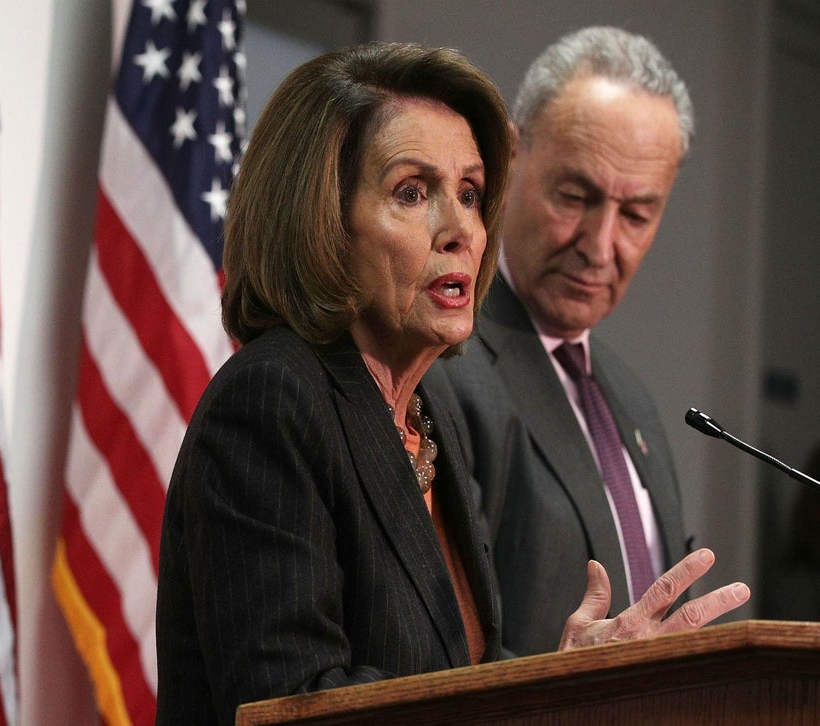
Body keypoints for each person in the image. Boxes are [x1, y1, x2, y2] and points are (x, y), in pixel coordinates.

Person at [155, 41, 749, 725]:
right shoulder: (272, 400)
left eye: (468, 193)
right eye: (413, 192)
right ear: (323, 219)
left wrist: (567, 676)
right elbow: (295, 705)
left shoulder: (424, 413)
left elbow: (463, 673)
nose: (460, 229)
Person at [429, 26, 699, 657]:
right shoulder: (443, 362)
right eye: (576, 197)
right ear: (511, 160)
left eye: (636, 215)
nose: (601, 245)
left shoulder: (629, 396)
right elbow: (435, 654)